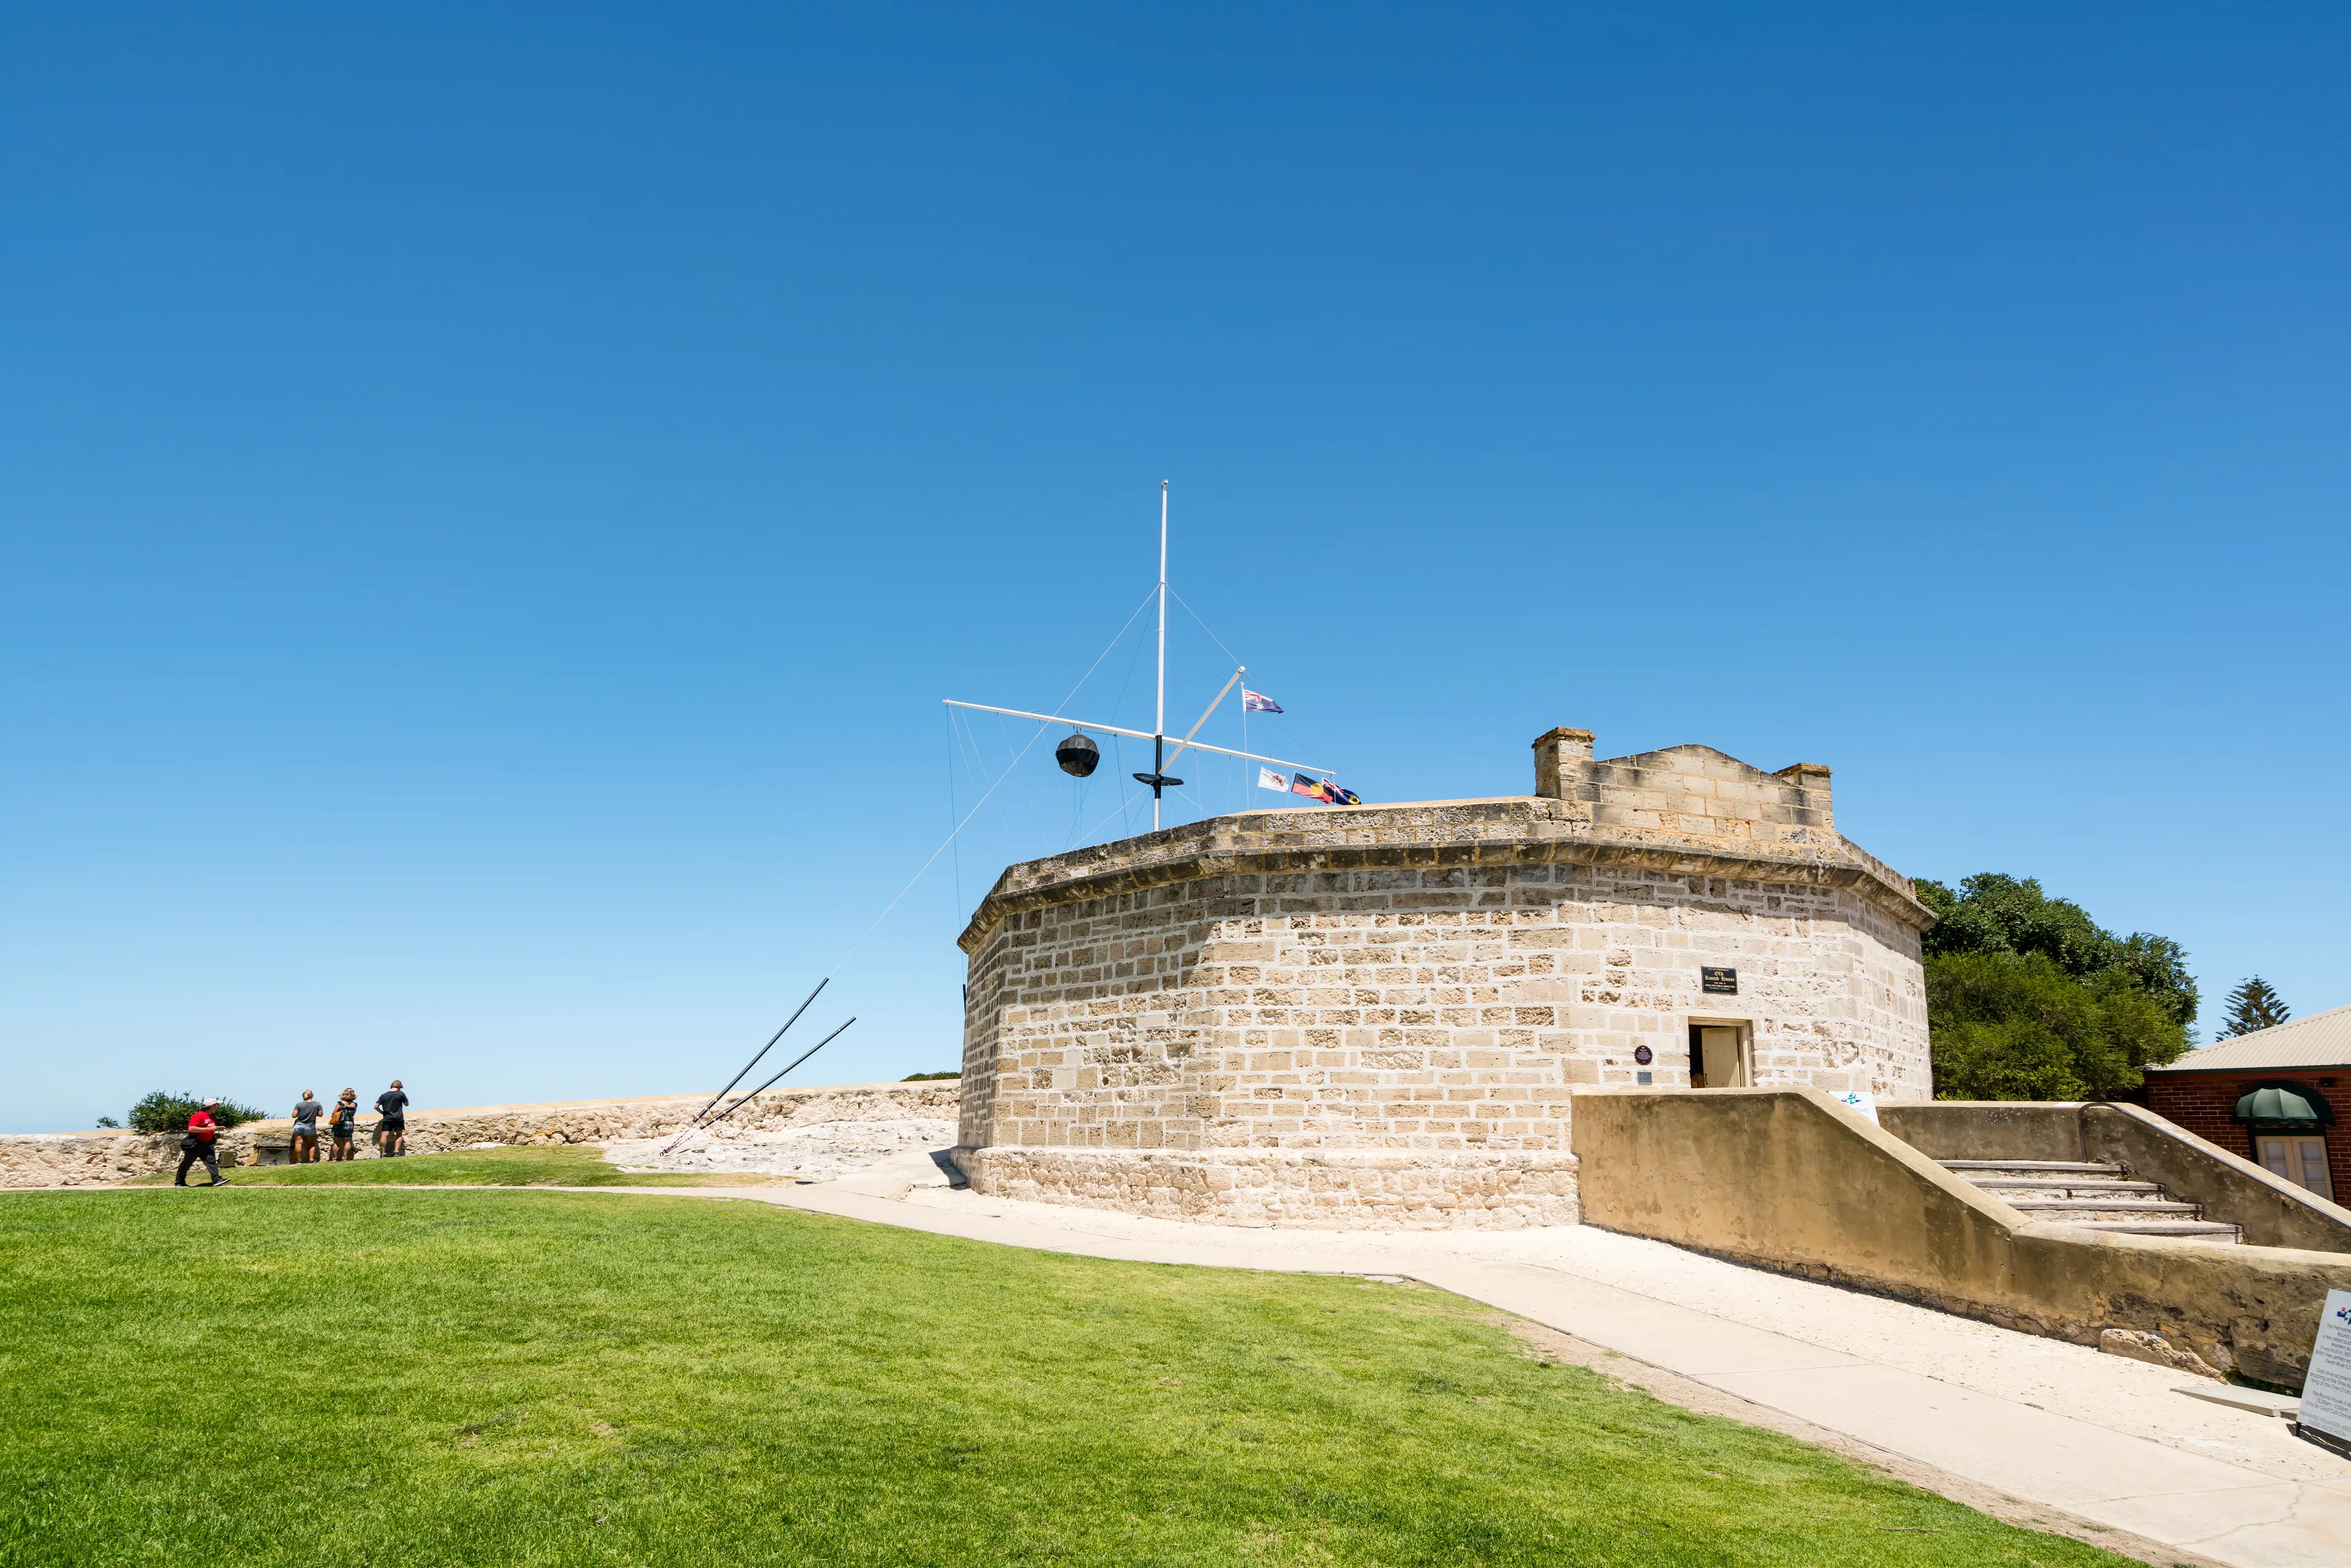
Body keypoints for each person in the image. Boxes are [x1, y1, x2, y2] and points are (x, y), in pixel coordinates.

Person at [174, 1097, 228, 1187]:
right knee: (187, 1163)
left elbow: (211, 1128)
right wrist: (209, 1129)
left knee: (211, 1162)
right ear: (212, 1106)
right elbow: (191, 1129)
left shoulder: (213, 1116)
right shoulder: (199, 1115)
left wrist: (215, 1130)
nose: (218, 1106)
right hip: (196, 1144)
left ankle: (217, 1180)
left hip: (208, 1143)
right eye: (217, 1104)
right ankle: (179, 1182)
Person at [374, 1080, 410, 1157]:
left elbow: (376, 1107)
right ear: (399, 1087)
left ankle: (383, 1153)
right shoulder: (401, 1094)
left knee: (384, 1135)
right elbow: (407, 1104)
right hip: (398, 1117)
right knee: (399, 1134)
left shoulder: (383, 1096)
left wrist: (382, 1112)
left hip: (387, 1118)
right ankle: (396, 1152)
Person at [289, 1090, 322, 1163]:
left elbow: (294, 1115)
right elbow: (320, 1114)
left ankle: (298, 1161)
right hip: (310, 1126)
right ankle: (311, 1160)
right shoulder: (317, 1104)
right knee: (311, 1143)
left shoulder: (299, 1104)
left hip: (299, 1125)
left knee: (298, 1143)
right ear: (312, 1096)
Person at [326, 1090, 359, 1161]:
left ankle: (335, 1158)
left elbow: (334, 1113)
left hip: (340, 1124)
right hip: (350, 1124)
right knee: (347, 1141)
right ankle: (345, 1157)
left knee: (337, 1142)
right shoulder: (355, 1105)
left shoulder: (340, 1103)